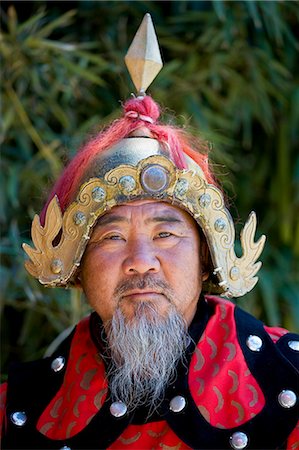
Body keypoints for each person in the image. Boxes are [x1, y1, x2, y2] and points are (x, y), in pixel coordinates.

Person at [1, 14, 298, 450]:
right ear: (78, 265)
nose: (141, 260)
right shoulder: (16, 413)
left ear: (205, 257)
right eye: (112, 236)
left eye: (166, 234)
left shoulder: (290, 380)